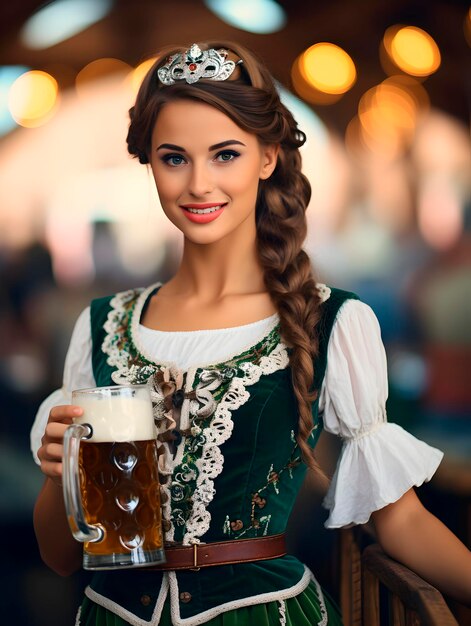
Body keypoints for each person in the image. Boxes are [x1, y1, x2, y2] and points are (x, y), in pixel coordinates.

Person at [31, 41, 471, 626]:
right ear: (150, 165)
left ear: (267, 157)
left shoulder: (330, 320)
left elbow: (401, 520)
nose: (197, 184)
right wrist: (62, 477)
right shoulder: (102, 327)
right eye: (174, 158)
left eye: (224, 155)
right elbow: (60, 558)